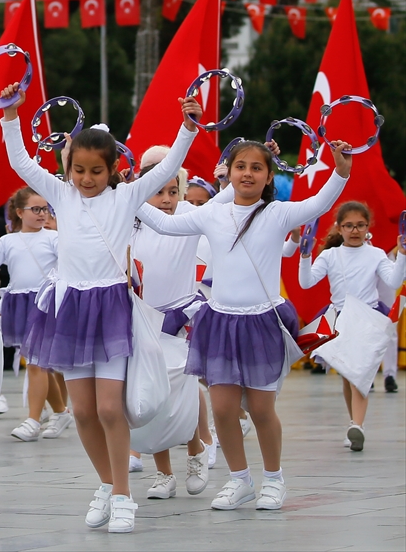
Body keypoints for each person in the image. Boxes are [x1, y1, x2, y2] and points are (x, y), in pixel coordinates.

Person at [0, 83, 201, 534]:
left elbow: (168, 165)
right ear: (67, 168)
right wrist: (11, 114)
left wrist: (187, 127)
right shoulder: (60, 193)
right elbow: (18, 161)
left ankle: (124, 497)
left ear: (113, 169)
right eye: (78, 170)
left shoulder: (127, 197)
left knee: (111, 408)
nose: (86, 179)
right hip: (70, 308)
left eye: (96, 171)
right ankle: (108, 486)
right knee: (84, 411)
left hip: (110, 305)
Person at [136, 138, 353, 513]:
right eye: (241, 167)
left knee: (261, 408)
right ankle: (240, 481)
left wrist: (341, 171)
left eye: (256, 167)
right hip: (220, 321)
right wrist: (124, 192)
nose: (247, 173)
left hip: (261, 322)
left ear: (269, 175)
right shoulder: (212, 214)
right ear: (230, 172)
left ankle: (273, 479)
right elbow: (162, 222)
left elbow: (320, 203)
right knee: (221, 409)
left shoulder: (278, 213)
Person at [128, 158, 212, 499]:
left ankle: (196, 452)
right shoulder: (129, 223)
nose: (166, 198)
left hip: (179, 317)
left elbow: (224, 203)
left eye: (173, 191)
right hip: (141, 318)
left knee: (183, 390)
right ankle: (164, 473)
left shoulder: (188, 219)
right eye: (158, 191)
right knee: (152, 395)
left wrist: (227, 178)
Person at [297, 201, 405, 451]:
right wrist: (305, 256)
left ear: (368, 227)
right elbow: (306, 282)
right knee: (348, 376)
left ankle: (358, 425)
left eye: (360, 225)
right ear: (339, 227)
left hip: (367, 318)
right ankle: (353, 423)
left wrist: (402, 255)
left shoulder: (375, 254)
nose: (355, 230)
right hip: (340, 319)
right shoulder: (330, 255)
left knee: (360, 374)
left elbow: (395, 279)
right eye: (349, 226)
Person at [0, 187, 71, 441]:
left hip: (45, 303)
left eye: (45, 209)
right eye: (35, 209)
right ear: (19, 212)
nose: (42, 214)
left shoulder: (54, 238)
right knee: (39, 364)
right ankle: (60, 411)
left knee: (37, 363)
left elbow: (69, 267)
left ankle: (33, 420)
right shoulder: (7, 241)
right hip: (18, 303)